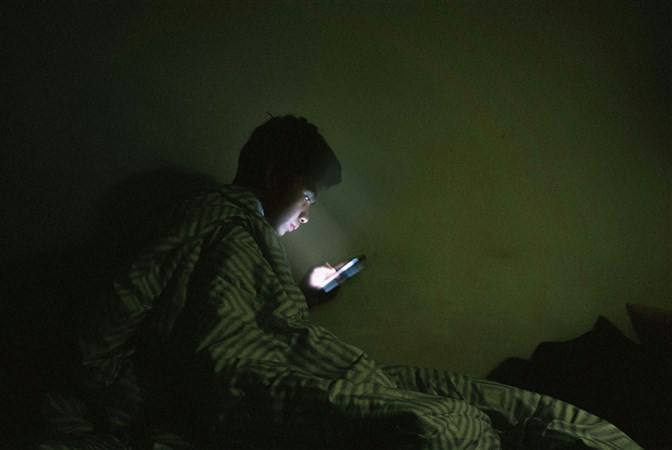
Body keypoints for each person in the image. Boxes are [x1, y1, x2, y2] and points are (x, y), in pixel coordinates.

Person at [37, 116, 639, 450]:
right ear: (273, 173)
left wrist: (304, 297)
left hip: (293, 360)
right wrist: (105, 397)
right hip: (245, 387)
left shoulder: (251, 240)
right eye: (307, 195)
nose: (306, 215)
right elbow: (133, 302)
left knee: (465, 397)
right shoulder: (214, 214)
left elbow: (257, 319)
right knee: (434, 428)